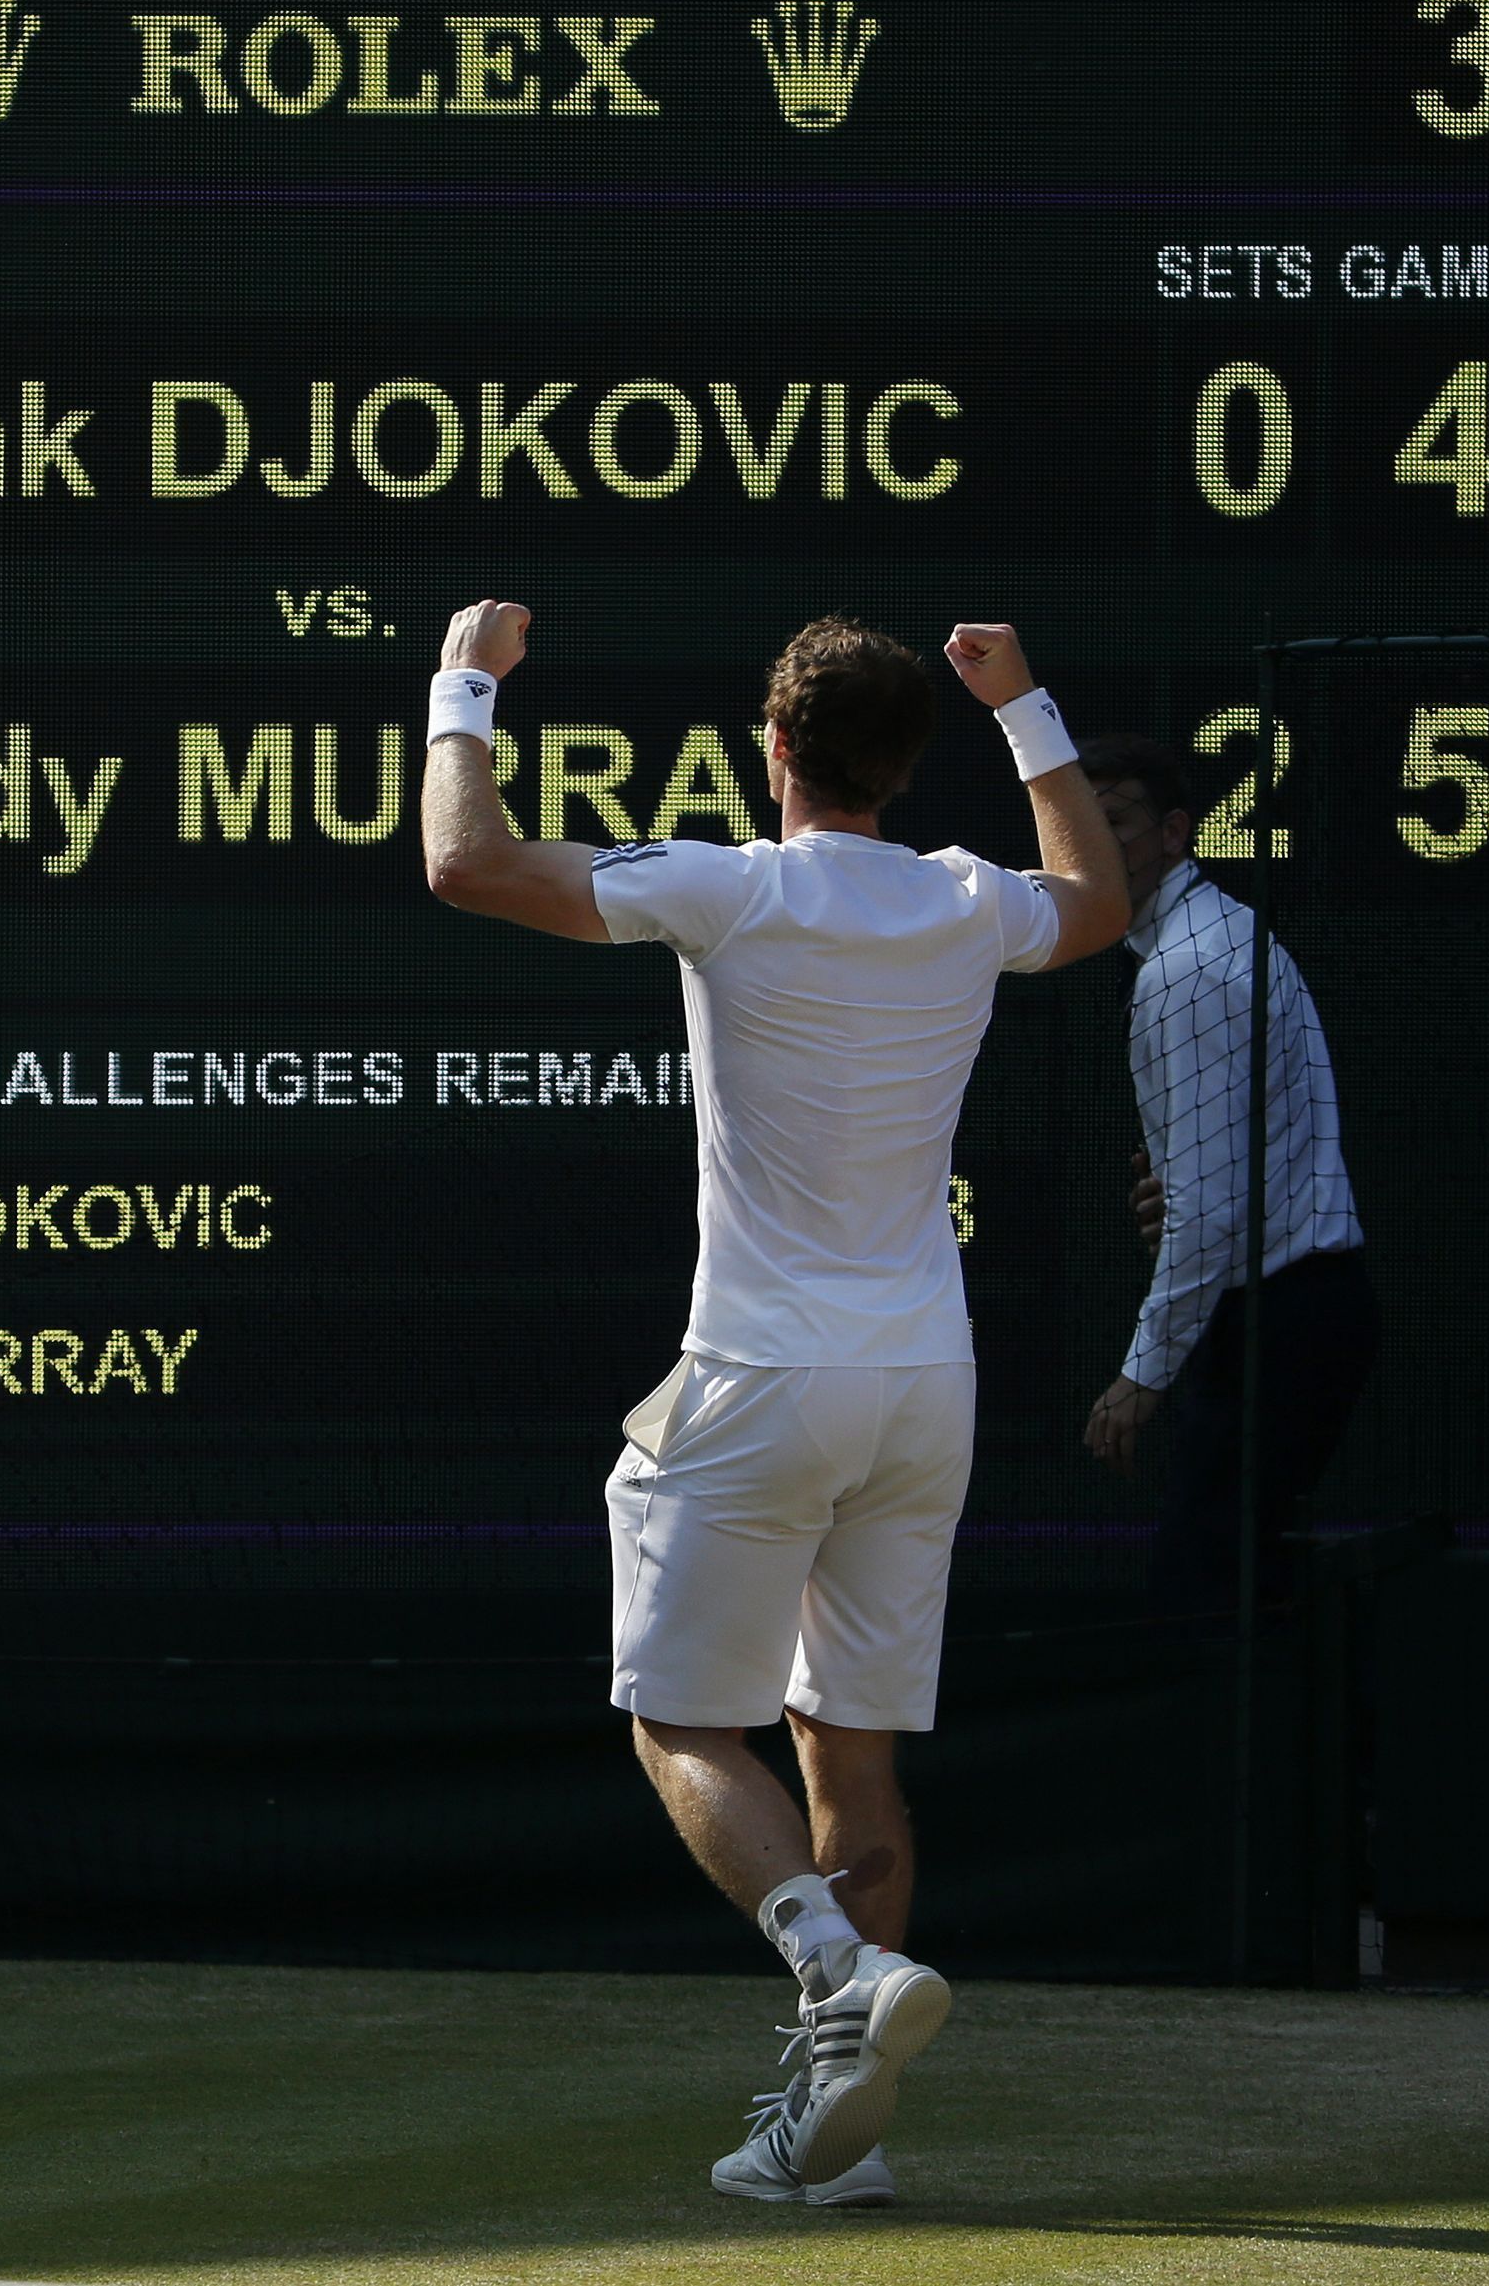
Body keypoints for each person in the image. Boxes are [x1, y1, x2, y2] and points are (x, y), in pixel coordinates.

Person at [418, 601, 1127, 2203]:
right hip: (922, 1387)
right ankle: (830, 2135)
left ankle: (834, 1963)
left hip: (761, 1377)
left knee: (681, 1718)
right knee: (848, 1751)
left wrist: (465, 680)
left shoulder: (730, 883)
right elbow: (1095, 901)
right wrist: (1029, 712)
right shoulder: (963, 900)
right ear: (905, 763)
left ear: (776, 749)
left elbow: (467, 861)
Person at [1074, 735, 1375, 1613]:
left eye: (1114, 821)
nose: (1091, 843)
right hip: (1289, 1309)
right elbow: (1225, 1181)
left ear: (1173, 832)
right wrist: (1182, 1183)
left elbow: (1211, 1215)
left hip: (1280, 1320)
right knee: (1242, 1596)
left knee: (1206, 1609)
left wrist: (1139, 1378)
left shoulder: (1187, 969)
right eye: (1075, 824)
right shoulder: (1210, 942)